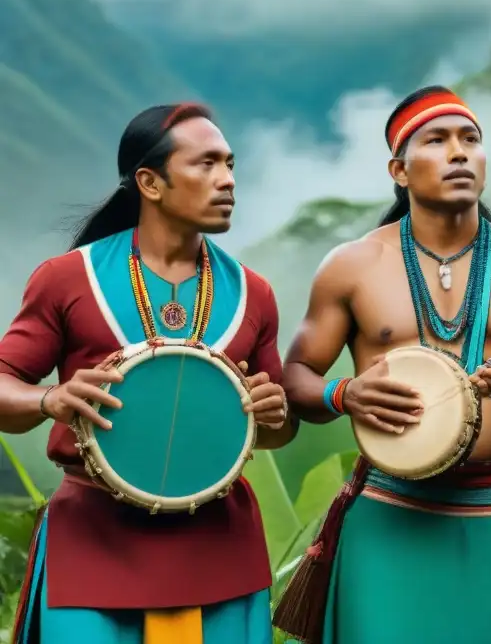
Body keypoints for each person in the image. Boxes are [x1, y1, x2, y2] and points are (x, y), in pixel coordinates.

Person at [274, 85, 491, 644]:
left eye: (471, 139)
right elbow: (294, 379)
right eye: (438, 140)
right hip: (391, 514)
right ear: (399, 169)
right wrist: (343, 395)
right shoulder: (352, 266)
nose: (460, 152)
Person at [1, 103, 296, 644]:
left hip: (219, 547)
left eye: (230, 164)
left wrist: (273, 412)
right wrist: (50, 399)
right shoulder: (68, 279)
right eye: (206, 165)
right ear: (150, 182)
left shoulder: (254, 294)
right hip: (94, 541)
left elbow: (279, 429)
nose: (227, 179)